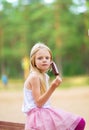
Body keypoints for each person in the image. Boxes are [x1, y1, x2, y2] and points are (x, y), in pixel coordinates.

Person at [22, 43, 86, 130]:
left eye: (47, 58)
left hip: (44, 113)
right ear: (33, 61)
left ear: (51, 61)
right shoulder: (34, 77)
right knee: (79, 123)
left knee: (79, 123)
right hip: (37, 118)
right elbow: (39, 103)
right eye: (40, 58)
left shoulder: (44, 76)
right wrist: (53, 87)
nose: (44, 60)